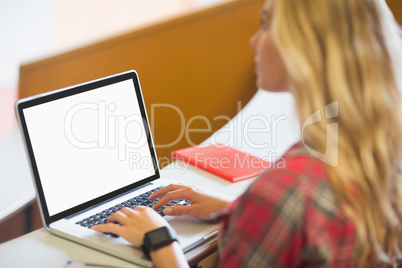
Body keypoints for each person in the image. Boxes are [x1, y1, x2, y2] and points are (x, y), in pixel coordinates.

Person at [91, 0, 402, 267]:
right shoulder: (377, 150)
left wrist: (160, 241)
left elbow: (290, 204)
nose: (254, 40)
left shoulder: (283, 192)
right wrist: (237, 212)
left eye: (266, 25)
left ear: (305, 46)